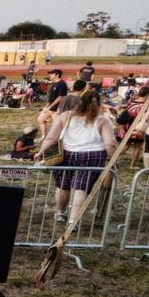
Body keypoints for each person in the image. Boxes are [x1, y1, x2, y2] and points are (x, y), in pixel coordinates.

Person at [41, 89, 117, 223]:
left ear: (80, 102)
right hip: (92, 155)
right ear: (99, 104)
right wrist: (114, 161)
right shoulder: (102, 121)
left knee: (63, 185)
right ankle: (73, 220)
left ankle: (60, 213)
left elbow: (51, 138)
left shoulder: (65, 116)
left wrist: (41, 152)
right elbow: (110, 144)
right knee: (81, 187)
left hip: (66, 153)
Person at [38, 69, 69, 138]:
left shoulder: (62, 84)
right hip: (50, 107)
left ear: (57, 75)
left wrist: (50, 107)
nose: (50, 75)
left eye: (52, 74)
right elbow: (52, 97)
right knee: (40, 119)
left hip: (57, 109)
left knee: (57, 125)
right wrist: (47, 106)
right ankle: (44, 136)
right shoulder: (54, 83)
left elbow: (60, 97)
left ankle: (59, 139)